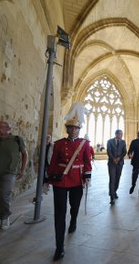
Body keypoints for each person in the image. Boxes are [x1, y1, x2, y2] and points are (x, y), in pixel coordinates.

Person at [47, 102, 92, 261]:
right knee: (60, 213)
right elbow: (53, 163)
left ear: (80, 130)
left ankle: (73, 219)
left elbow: (87, 161)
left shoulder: (84, 144)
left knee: (75, 206)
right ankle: (59, 247)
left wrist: (87, 176)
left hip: (77, 180)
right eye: (71, 128)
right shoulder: (59, 144)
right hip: (60, 180)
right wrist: (48, 179)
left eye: (77, 128)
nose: (74, 130)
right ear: (67, 129)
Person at [106, 129, 127, 205]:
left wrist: (119, 158)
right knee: (112, 179)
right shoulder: (110, 141)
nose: (121, 135)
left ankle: (114, 191)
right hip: (112, 163)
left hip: (120, 163)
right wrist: (113, 159)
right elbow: (109, 151)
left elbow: (124, 152)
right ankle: (112, 197)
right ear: (116, 134)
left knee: (117, 178)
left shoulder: (123, 142)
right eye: (120, 134)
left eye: (122, 134)